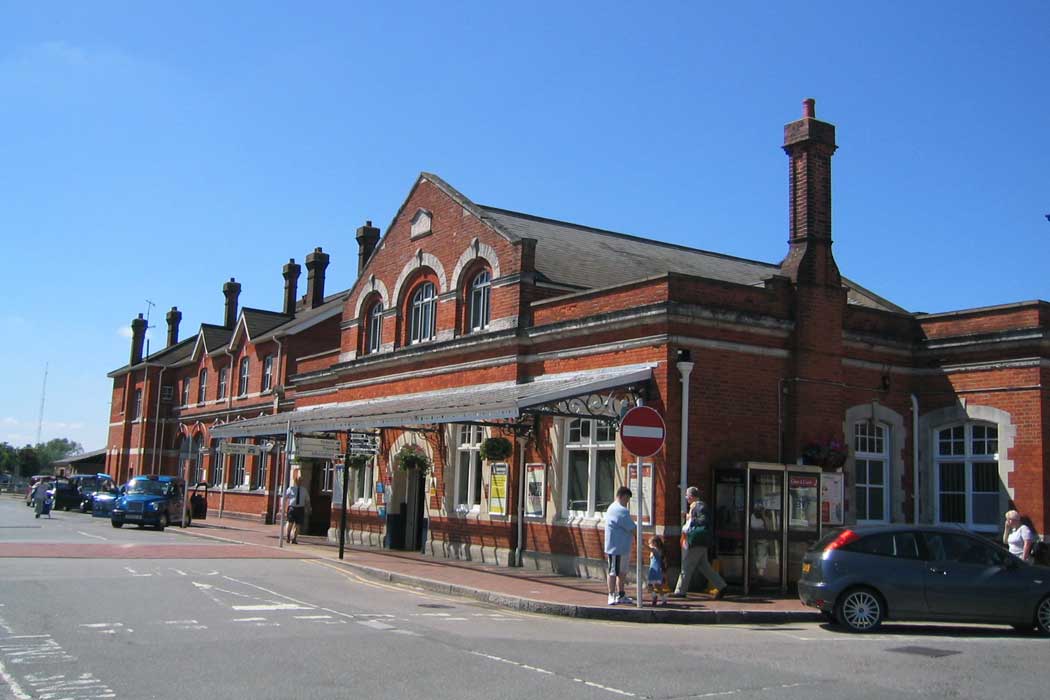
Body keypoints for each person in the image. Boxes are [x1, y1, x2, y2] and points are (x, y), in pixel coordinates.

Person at [674, 485, 727, 599]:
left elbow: (702, 521)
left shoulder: (699, 507)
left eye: (687, 496)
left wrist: (690, 518)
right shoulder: (695, 507)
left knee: (687, 565)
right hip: (701, 541)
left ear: (692, 496)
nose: (686, 498)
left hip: (697, 541)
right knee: (704, 566)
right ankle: (721, 586)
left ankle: (680, 591)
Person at [604, 486, 636, 605]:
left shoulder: (612, 508)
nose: (627, 503)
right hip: (616, 548)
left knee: (622, 572)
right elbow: (632, 528)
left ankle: (621, 594)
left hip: (621, 547)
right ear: (622, 496)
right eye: (627, 499)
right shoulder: (620, 510)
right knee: (613, 572)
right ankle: (611, 595)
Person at [283, 468, 310, 544]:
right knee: (290, 523)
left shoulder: (304, 490)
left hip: (300, 509)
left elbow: (307, 500)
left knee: (298, 525)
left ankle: (294, 538)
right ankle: (288, 535)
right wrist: (283, 507)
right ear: (295, 481)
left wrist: (309, 508)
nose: (299, 482)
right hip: (292, 508)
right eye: (298, 480)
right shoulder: (291, 489)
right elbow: (285, 497)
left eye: (300, 480)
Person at [646, 535, 670, 606]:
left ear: (654, 544)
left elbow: (648, 548)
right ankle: (655, 596)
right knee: (651, 585)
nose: (649, 545)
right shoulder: (656, 550)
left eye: (650, 543)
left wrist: (641, 543)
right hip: (653, 570)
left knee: (657, 586)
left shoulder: (656, 550)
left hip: (656, 570)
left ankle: (661, 598)